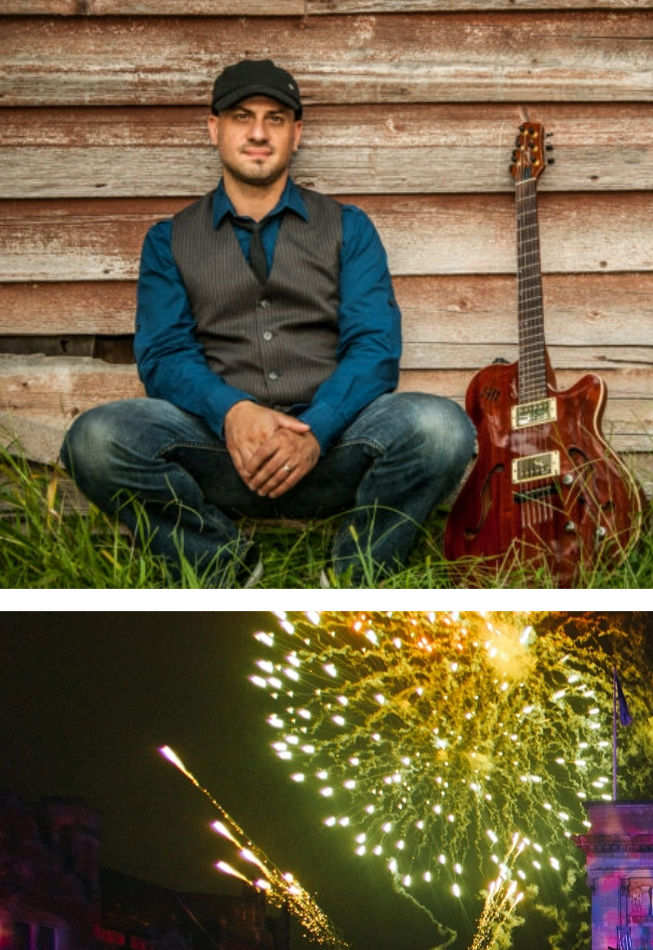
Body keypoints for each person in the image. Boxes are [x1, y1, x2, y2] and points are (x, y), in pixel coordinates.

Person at [60, 58, 475, 585]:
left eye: (275, 118)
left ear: (296, 133)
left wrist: (317, 430)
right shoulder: (169, 240)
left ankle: (351, 575)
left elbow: (374, 347)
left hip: (334, 449)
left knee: (440, 429)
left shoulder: (348, 227)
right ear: (215, 128)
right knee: (95, 441)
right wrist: (230, 410)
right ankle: (223, 563)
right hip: (220, 454)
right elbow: (163, 355)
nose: (258, 132)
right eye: (241, 116)